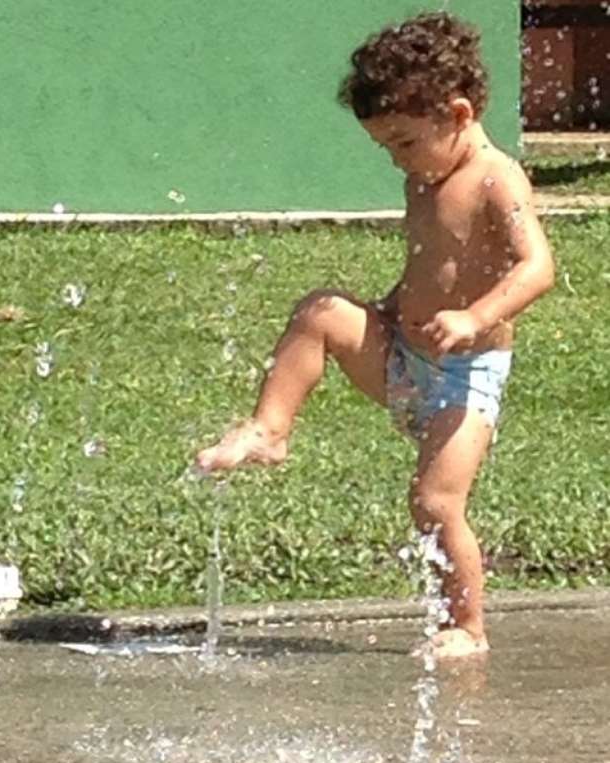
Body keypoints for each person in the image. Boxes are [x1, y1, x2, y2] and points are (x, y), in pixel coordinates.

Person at [195, 12, 555, 659]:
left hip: (465, 376)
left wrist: (474, 316)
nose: (396, 157)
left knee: (435, 501)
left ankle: (466, 627)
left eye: (405, 141)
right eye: (385, 145)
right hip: (404, 351)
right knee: (320, 311)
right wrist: (392, 307)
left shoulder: (499, 178)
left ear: (459, 112)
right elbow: (431, 261)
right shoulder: (425, 175)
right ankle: (270, 429)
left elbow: (539, 267)